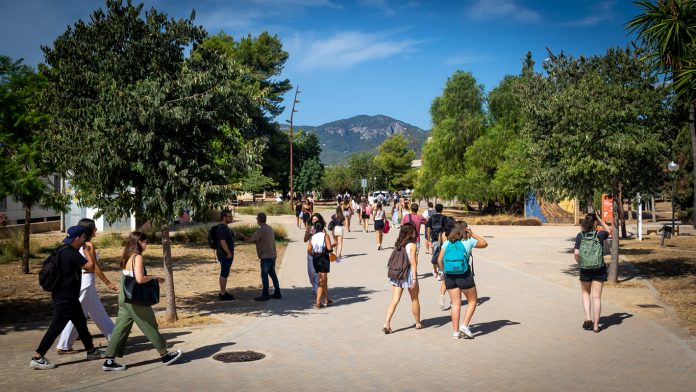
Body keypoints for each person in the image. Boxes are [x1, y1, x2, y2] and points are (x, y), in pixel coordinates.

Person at [101, 232, 182, 371]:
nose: (146, 244)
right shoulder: (137, 257)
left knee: (120, 329)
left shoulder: (127, 256)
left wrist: (153, 279)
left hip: (124, 297)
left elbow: (130, 277)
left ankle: (109, 360)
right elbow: (139, 279)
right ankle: (165, 355)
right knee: (149, 324)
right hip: (135, 300)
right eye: (145, 242)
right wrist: (153, 277)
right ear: (139, 242)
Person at [31, 226, 105, 369]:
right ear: (77, 238)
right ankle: (38, 357)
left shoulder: (60, 249)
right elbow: (90, 267)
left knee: (81, 324)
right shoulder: (72, 253)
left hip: (63, 295)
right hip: (66, 298)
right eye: (83, 237)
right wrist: (87, 252)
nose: (84, 240)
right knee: (55, 328)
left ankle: (91, 351)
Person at [56, 219, 117, 355]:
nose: (96, 229)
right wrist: (107, 282)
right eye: (94, 227)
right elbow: (94, 267)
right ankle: (64, 345)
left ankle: (114, 337)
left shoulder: (76, 245)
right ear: (89, 229)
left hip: (84, 283)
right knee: (78, 316)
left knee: (98, 312)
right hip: (86, 283)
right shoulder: (88, 245)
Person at [437, 221, 488, 340]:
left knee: (455, 304)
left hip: (449, 276)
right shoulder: (468, 241)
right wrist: (472, 233)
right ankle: (464, 326)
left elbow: (440, 260)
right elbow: (484, 244)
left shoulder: (447, 242)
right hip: (464, 275)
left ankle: (456, 332)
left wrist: (445, 273)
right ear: (465, 229)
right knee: (472, 301)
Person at [574, 211, 611, 333]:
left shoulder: (580, 236)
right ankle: (596, 326)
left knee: (586, 294)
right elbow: (609, 231)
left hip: (585, 269)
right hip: (599, 268)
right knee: (597, 297)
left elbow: (576, 253)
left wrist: (580, 264)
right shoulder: (599, 234)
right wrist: (600, 219)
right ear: (595, 223)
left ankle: (588, 318)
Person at [383, 223, 423, 333]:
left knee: (394, 300)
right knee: (414, 299)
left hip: (398, 274)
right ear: (410, 232)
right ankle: (418, 323)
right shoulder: (413, 245)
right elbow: (414, 263)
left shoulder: (397, 244)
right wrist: (415, 279)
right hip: (409, 274)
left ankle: (387, 323)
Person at [237, 213, 281, 301]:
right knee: (272, 274)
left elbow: (250, 240)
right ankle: (277, 292)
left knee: (264, 275)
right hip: (272, 254)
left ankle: (265, 294)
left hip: (266, 255)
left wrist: (242, 236)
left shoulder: (261, 230)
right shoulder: (269, 228)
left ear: (258, 220)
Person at [308, 221, 333, 309]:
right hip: (323, 257)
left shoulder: (313, 237)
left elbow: (309, 251)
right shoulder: (325, 235)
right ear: (323, 227)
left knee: (323, 279)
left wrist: (315, 256)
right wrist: (331, 247)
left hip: (315, 257)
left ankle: (326, 299)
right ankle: (318, 303)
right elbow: (329, 248)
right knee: (321, 281)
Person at [216, 210, 237, 301]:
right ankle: (223, 294)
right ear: (224, 217)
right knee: (224, 273)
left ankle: (223, 292)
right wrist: (228, 253)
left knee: (225, 273)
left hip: (226, 255)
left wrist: (232, 234)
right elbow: (223, 242)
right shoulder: (222, 228)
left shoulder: (225, 227)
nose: (231, 218)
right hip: (225, 255)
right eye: (229, 217)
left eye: (231, 216)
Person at [437, 217, 456, 309]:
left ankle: (442, 295)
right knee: (455, 282)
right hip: (452, 258)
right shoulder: (455, 235)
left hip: (444, 257)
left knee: (445, 279)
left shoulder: (443, 234)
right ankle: (452, 300)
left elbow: (440, 244)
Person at [304, 213, 325, 293]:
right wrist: (307, 234)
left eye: (316, 219)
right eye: (313, 219)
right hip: (311, 251)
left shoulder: (322, 229)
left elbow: (325, 240)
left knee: (317, 271)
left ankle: (317, 287)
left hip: (319, 251)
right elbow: (305, 240)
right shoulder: (310, 228)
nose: (314, 221)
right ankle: (313, 284)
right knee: (311, 271)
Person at [425, 204, 446, 281]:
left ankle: (435, 271)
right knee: (442, 256)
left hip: (434, 239)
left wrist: (428, 240)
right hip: (443, 240)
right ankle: (440, 273)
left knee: (435, 255)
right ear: (442, 209)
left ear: (435, 210)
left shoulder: (432, 218)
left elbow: (428, 229)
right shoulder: (444, 218)